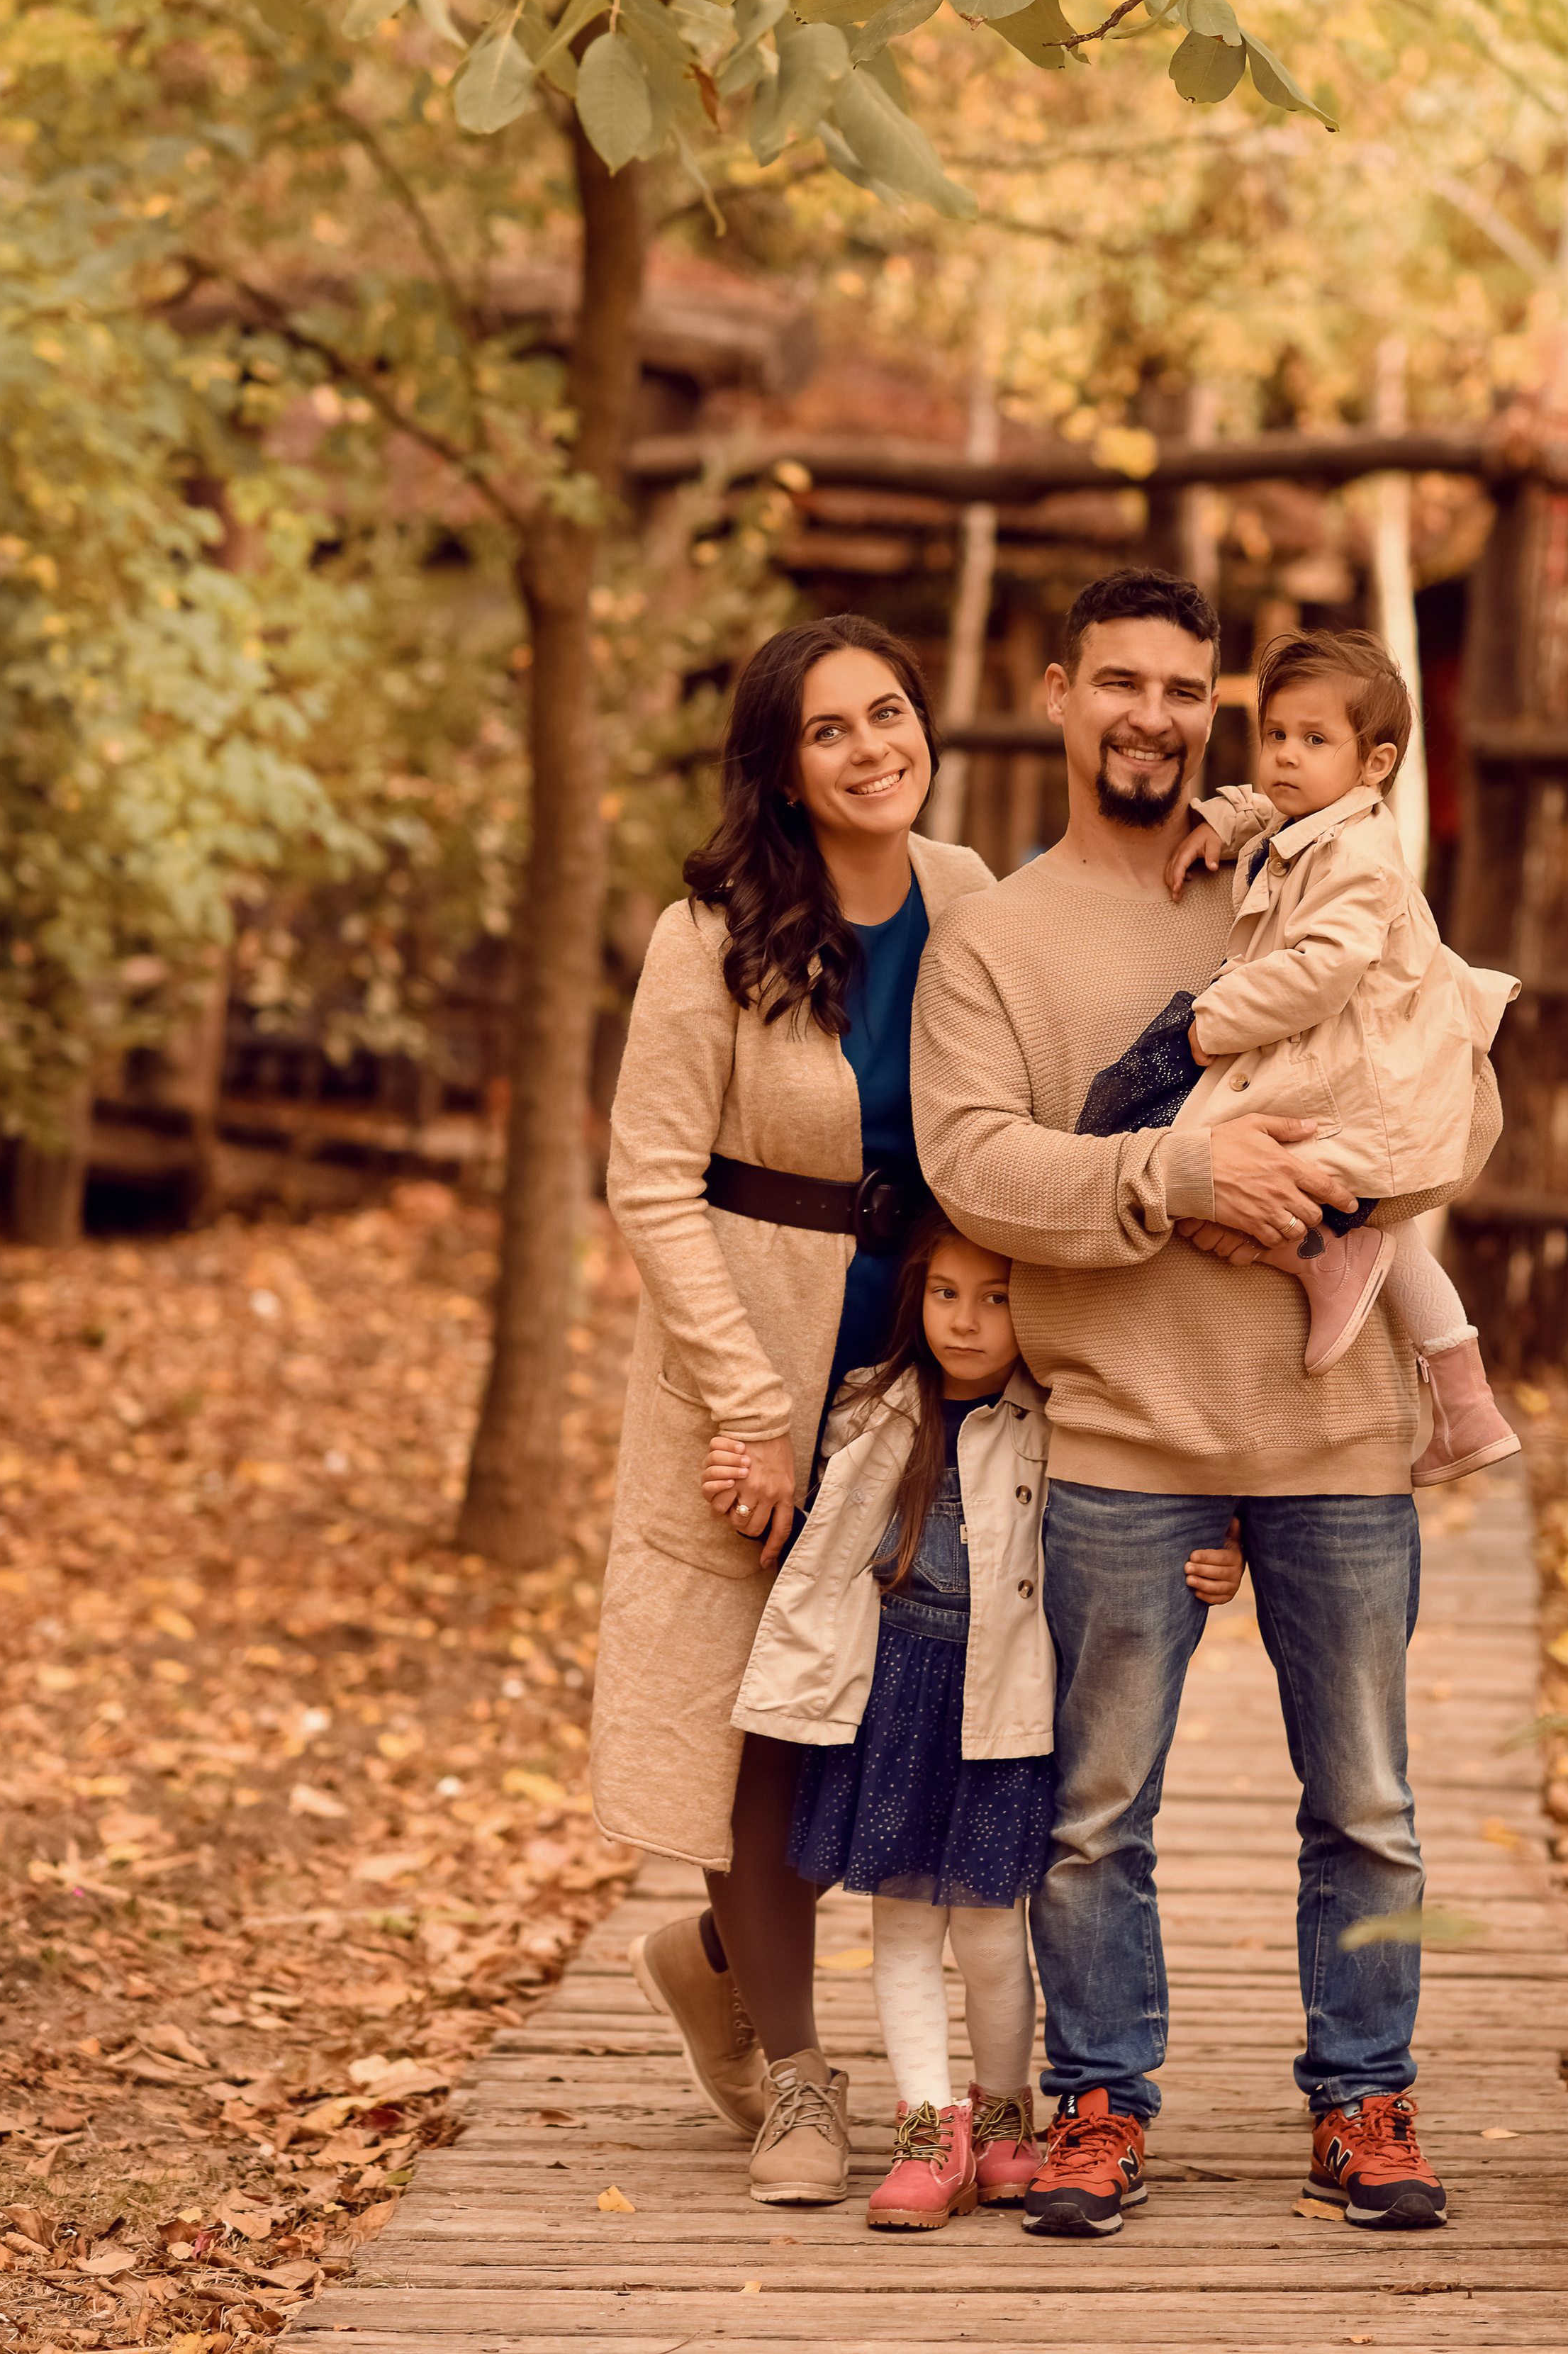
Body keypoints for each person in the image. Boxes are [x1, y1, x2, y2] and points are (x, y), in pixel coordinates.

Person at [911, 567, 1504, 2242]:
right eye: (1120, 682)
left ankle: (1362, 2095)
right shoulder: (1000, 940)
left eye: (1185, 688)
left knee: (1365, 1804)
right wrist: (1178, 1173)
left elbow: (1434, 1066)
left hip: (1329, 1431)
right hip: (1121, 1432)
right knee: (1095, 1815)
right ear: (1054, 694)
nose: (1152, 716)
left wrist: (1384, 1167)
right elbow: (972, 1164)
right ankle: (1101, 2103)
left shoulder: (1301, 865)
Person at [590, 615, 993, 2209]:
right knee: (754, 1719)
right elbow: (646, 1176)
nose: (868, 746)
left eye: (885, 712)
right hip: (754, 1351)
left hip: (926, 1359)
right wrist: (747, 1407)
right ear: (780, 764)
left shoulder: (971, 895)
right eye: (827, 729)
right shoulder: (708, 935)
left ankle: (713, 1959)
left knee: (887, 1705)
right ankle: (801, 2082)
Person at [709, 1216, 1245, 2229]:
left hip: (1005, 1705)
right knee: (903, 1926)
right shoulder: (871, 1407)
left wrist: (1221, 1553)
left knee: (995, 1933)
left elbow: (1138, 1515)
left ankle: (1005, 2121)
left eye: (995, 1296)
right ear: (915, 1296)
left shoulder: (1055, 1417)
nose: (965, 1320)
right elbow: (808, 1524)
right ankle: (927, 2127)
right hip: (896, 1699)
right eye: (945, 1293)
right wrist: (743, 1483)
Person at [1132, 627, 1522, 1485]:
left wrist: (1210, 1022)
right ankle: (1467, 1405)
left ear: (1374, 763)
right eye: (1274, 735)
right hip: (1361, 1071)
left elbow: (1321, 970)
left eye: (1313, 741)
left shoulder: (1360, 858)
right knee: (1375, 1227)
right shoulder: (1322, 821)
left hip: (1360, 1078)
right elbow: (1271, 811)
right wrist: (1222, 820)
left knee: (1188, 1160)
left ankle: (1327, 1265)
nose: (1283, 757)